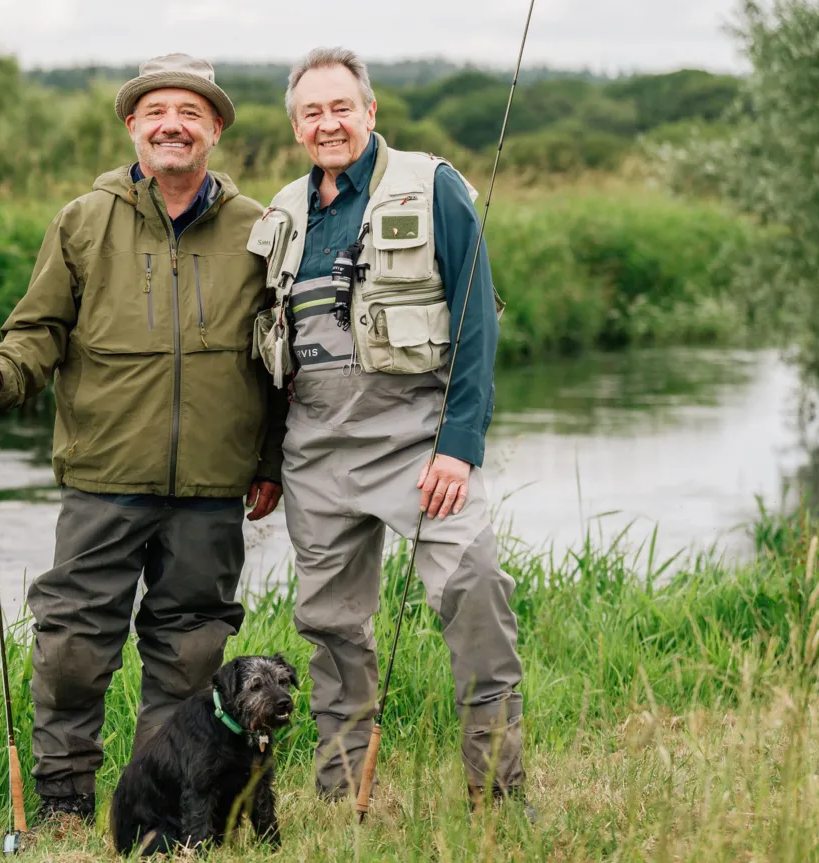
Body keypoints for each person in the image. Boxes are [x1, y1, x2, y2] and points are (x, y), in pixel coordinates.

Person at [0, 53, 288, 825]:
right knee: (72, 645)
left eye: (191, 113)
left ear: (214, 129)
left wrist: (268, 463)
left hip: (211, 486)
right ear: (134, 126)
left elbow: (279, 358)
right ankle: (65, 801)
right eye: (156, 112)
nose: (173, 125)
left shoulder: (261, 227)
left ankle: (161, 805)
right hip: (103, 475)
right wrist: (2, 376)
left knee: (194, 654)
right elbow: (36, 330)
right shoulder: (82, 219)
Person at [246, 46, 525, 807]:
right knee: (332, 632)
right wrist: (270, 463)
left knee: (476, 600)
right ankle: (344, 798)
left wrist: (458, 448)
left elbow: (477, 324)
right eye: (312, 112)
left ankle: (498, 797)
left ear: (371, 112)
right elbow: (268, 358)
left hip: (420, 448)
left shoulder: (432, 186)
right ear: (296, 125)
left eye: (342, 107)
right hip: (314, 454)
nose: (328, 122)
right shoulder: (281, 215)